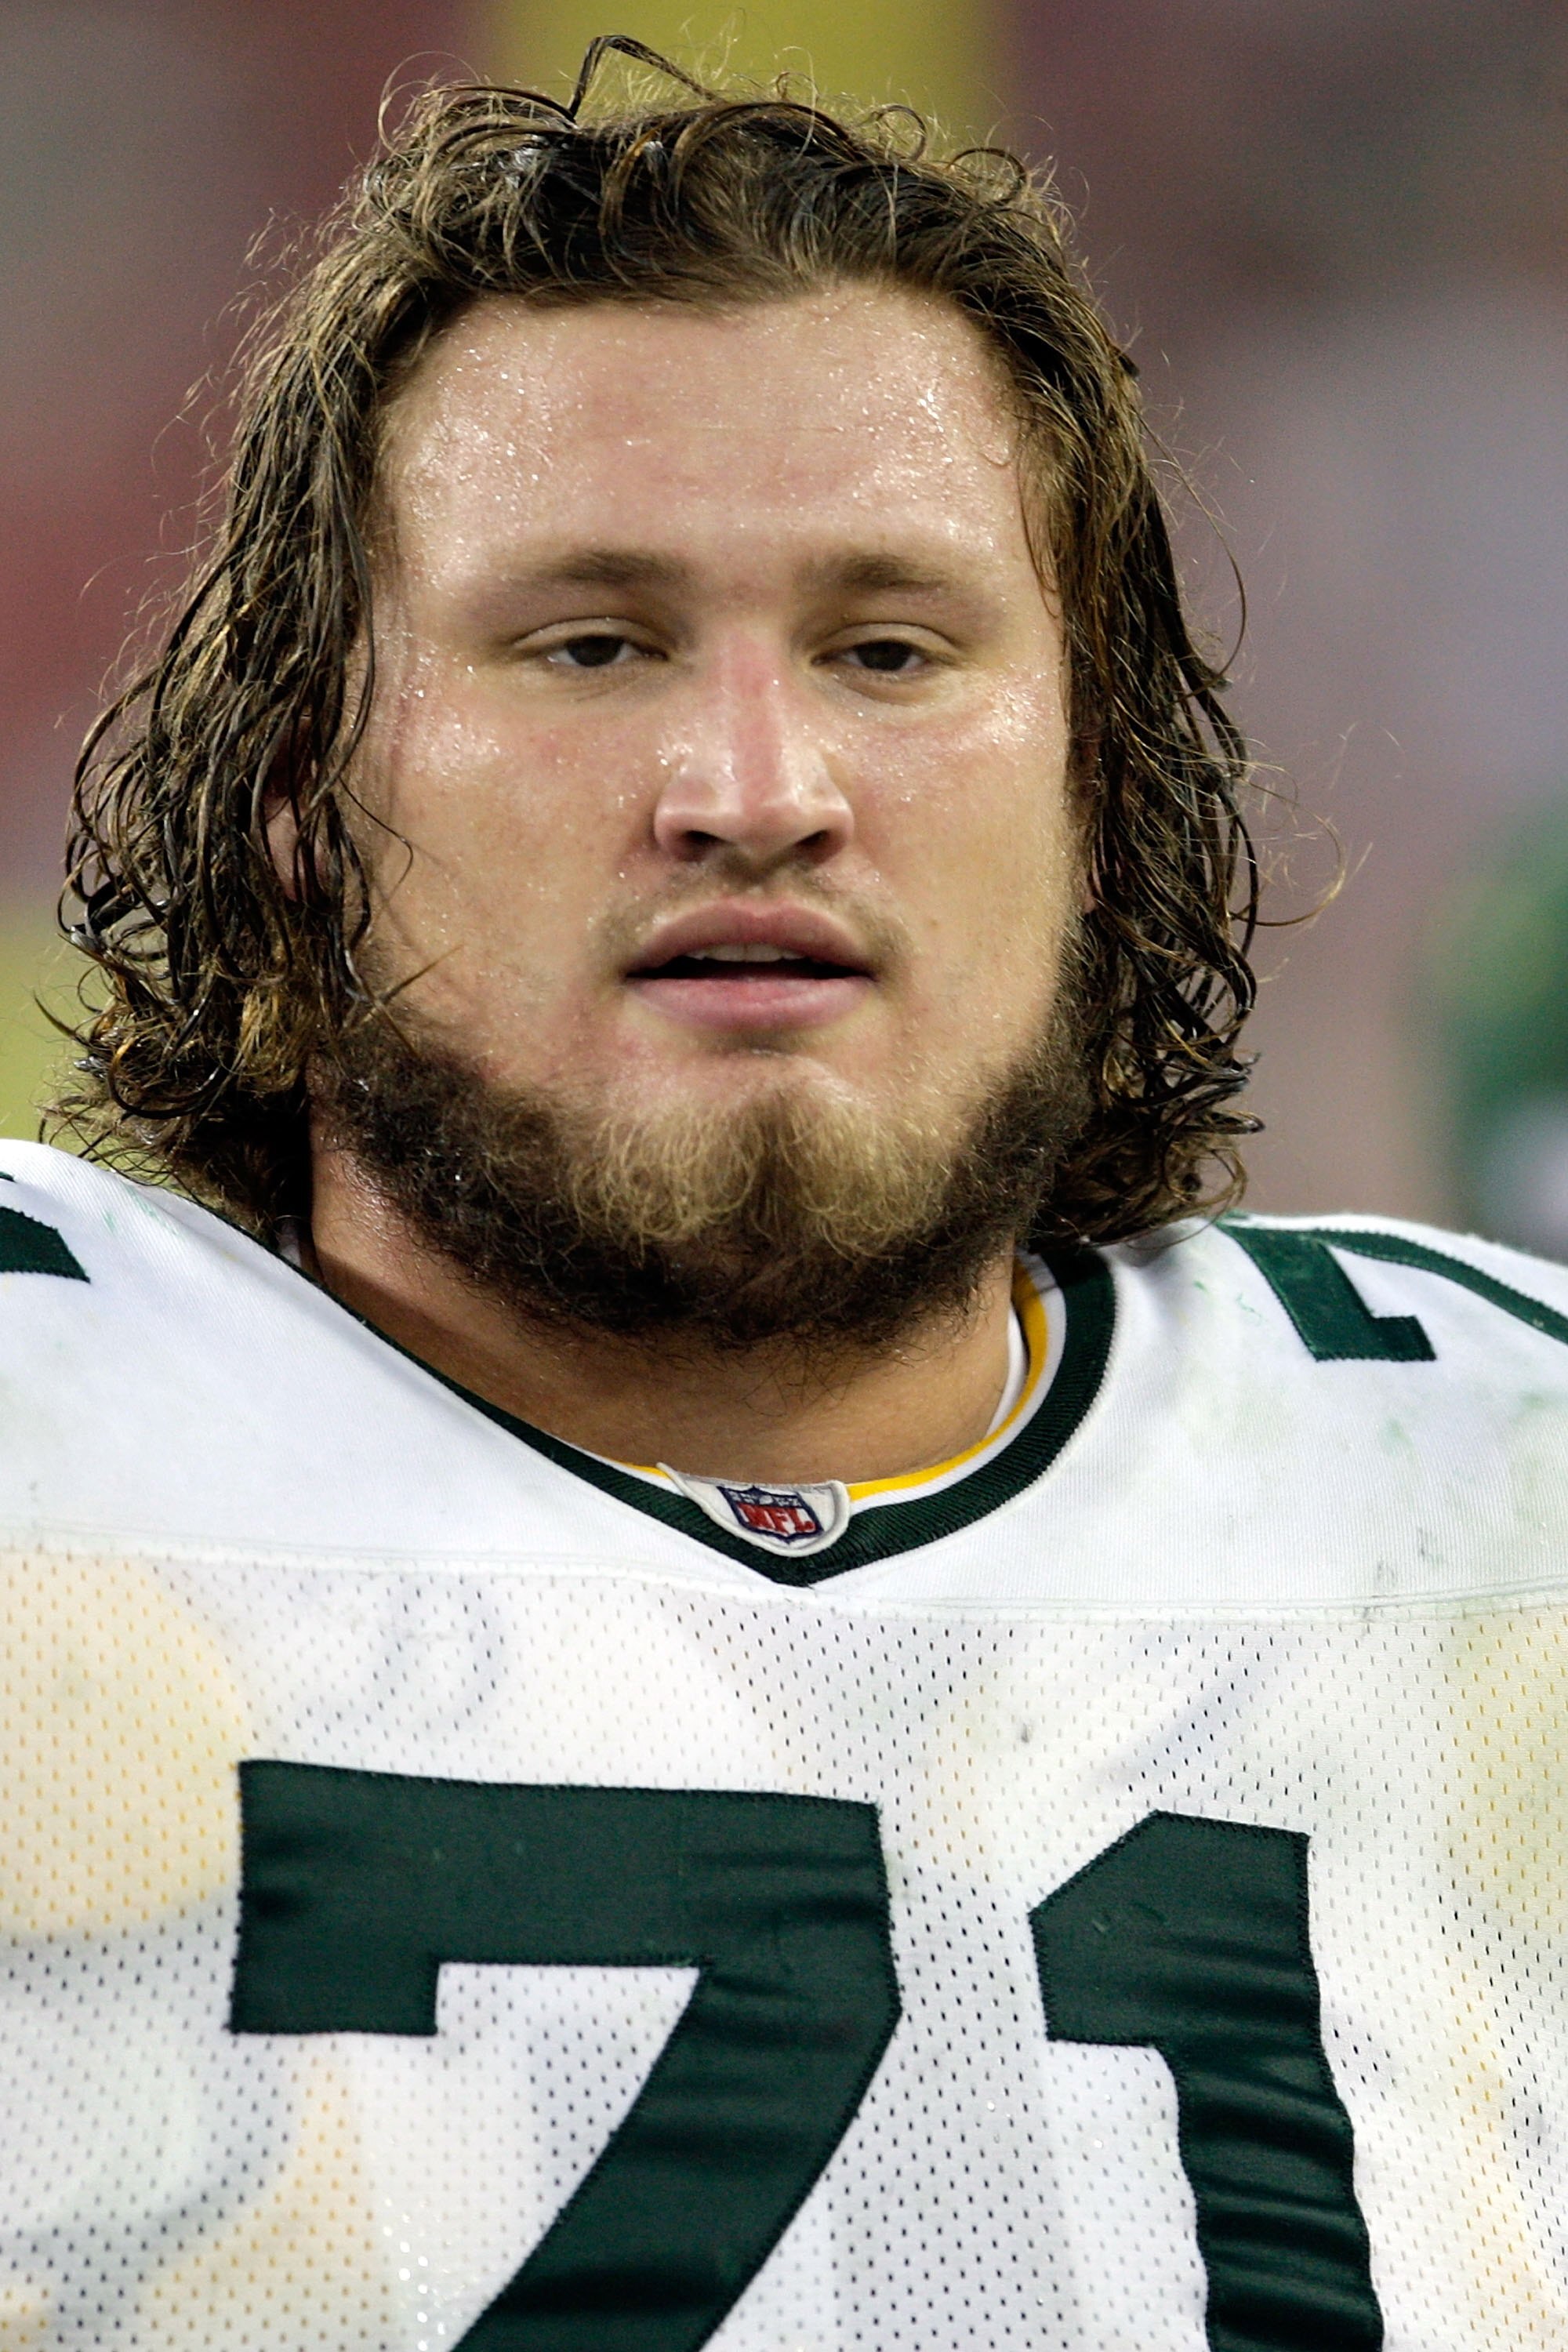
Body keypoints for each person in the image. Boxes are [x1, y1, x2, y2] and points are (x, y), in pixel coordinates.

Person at [2, 38, 1563, 2350]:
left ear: (1106, 809)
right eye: (593, 643)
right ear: (295, 800)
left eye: (890, 651)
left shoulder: (1488, 1481)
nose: (756, 786)